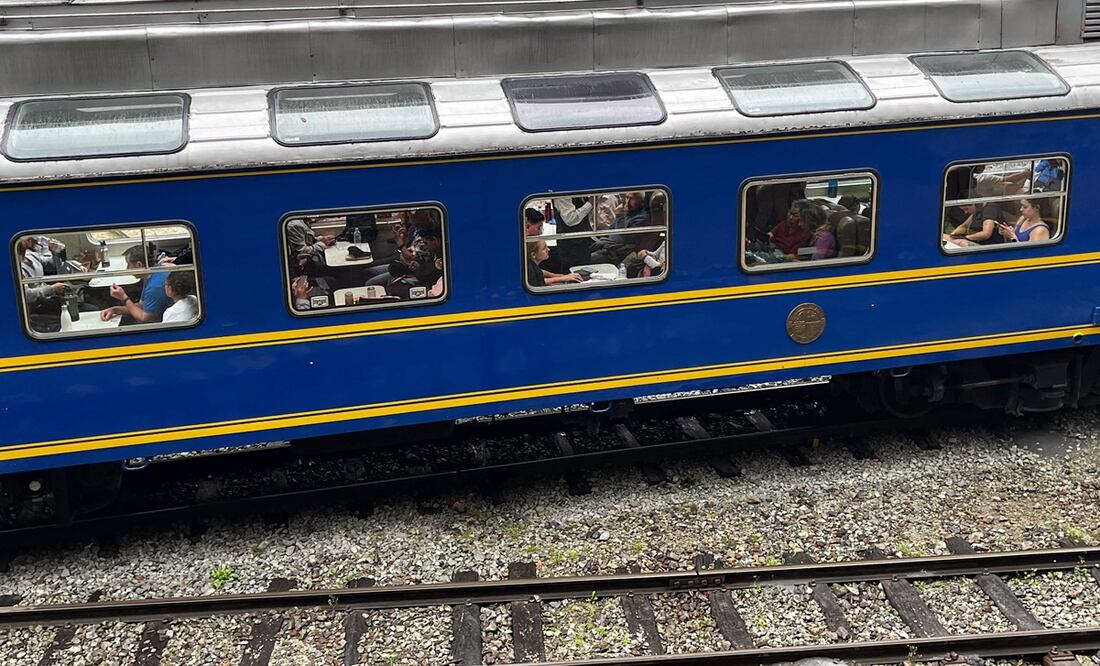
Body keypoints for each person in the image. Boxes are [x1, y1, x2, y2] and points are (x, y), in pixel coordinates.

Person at [99, 245, 172, 323]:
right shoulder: (153, 273)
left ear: (139, 265)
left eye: (128, 264)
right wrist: (115, 310)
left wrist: (124, 297)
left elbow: (144, 319)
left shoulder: (154, 287)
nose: (127, 269)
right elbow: (142, 306)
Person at [589, 191, 650, 264]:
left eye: (632, 199)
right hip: (608, 245)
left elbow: (624, 239)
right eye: (627, 198)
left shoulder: (641, 219)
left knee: (589, 258)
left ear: (641, 202)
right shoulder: (628, 212)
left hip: (617, 253)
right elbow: (612, 229)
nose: (627, 202)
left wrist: (619, 214)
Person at [17, 235, 68, 306]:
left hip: (46, 298)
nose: (31, 238)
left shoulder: (30, 256)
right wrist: (52, 289)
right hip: (35, 306)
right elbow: (27, 295)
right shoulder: (18, 267)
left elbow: (51, 266)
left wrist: (54, 252)